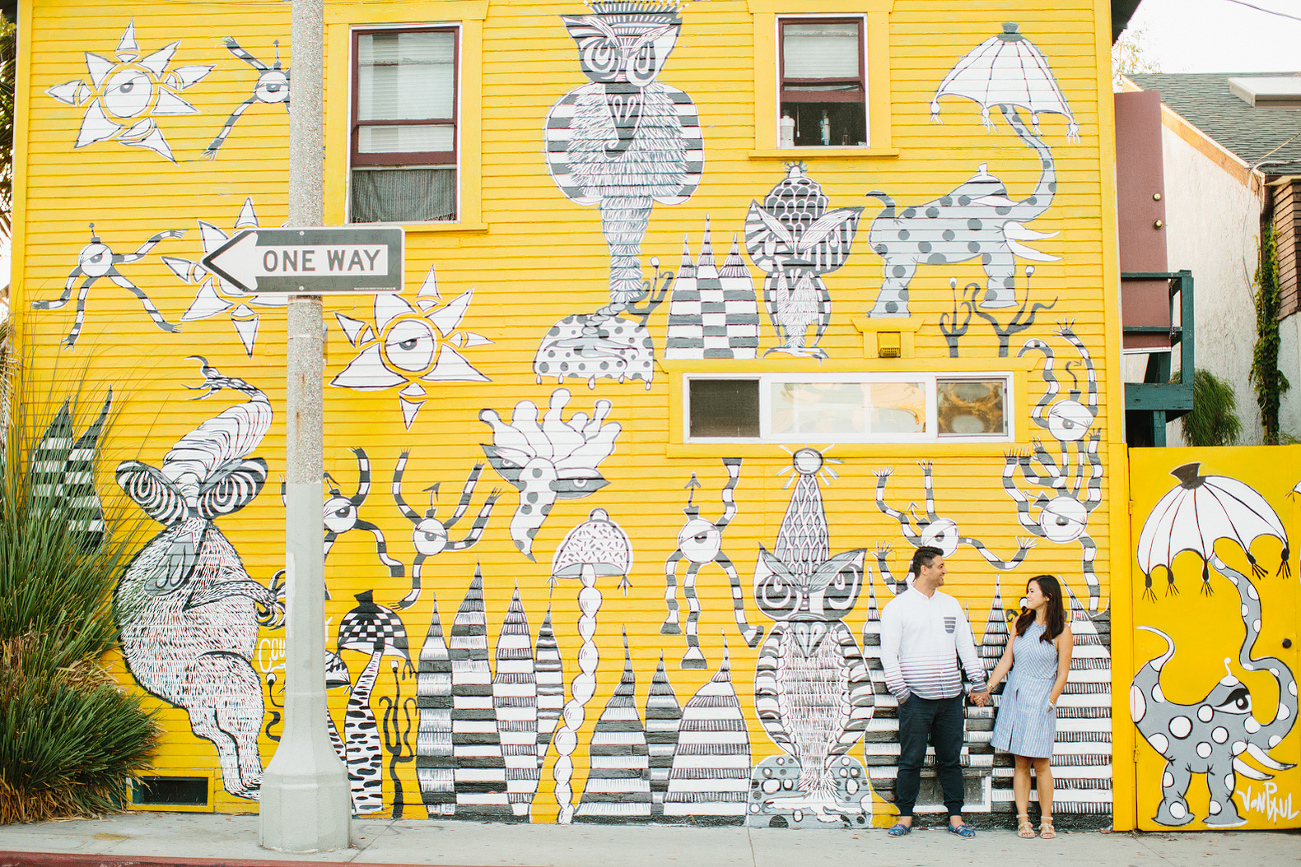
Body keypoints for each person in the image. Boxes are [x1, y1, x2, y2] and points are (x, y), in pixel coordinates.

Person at [879, 546, 990, 839]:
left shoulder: (950, 605)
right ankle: (905, 817)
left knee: (950, 759)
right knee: (911, 759)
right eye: (940, 566)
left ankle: (956, 817)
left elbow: (965, 646)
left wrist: (977, 684)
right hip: (915, 699)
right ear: (923, 569)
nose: (944, 571)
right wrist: (902, 693)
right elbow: (888, 655)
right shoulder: (897, 608)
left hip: (951, 699)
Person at [986, 574, 1072, 840]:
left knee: (1042, 762)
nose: (1027, 595)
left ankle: (1047, 820)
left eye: (1032, 591)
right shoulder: (1020, 623)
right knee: (1021, 761)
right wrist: (987, 688)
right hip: (1016, 695)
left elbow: (1063, 673)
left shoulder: (1061, 631)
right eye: (1027, 591)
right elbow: (1006, 661)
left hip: (1041, 699)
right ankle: (1023, 820)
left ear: (1048, 596)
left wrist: (1050, 701)